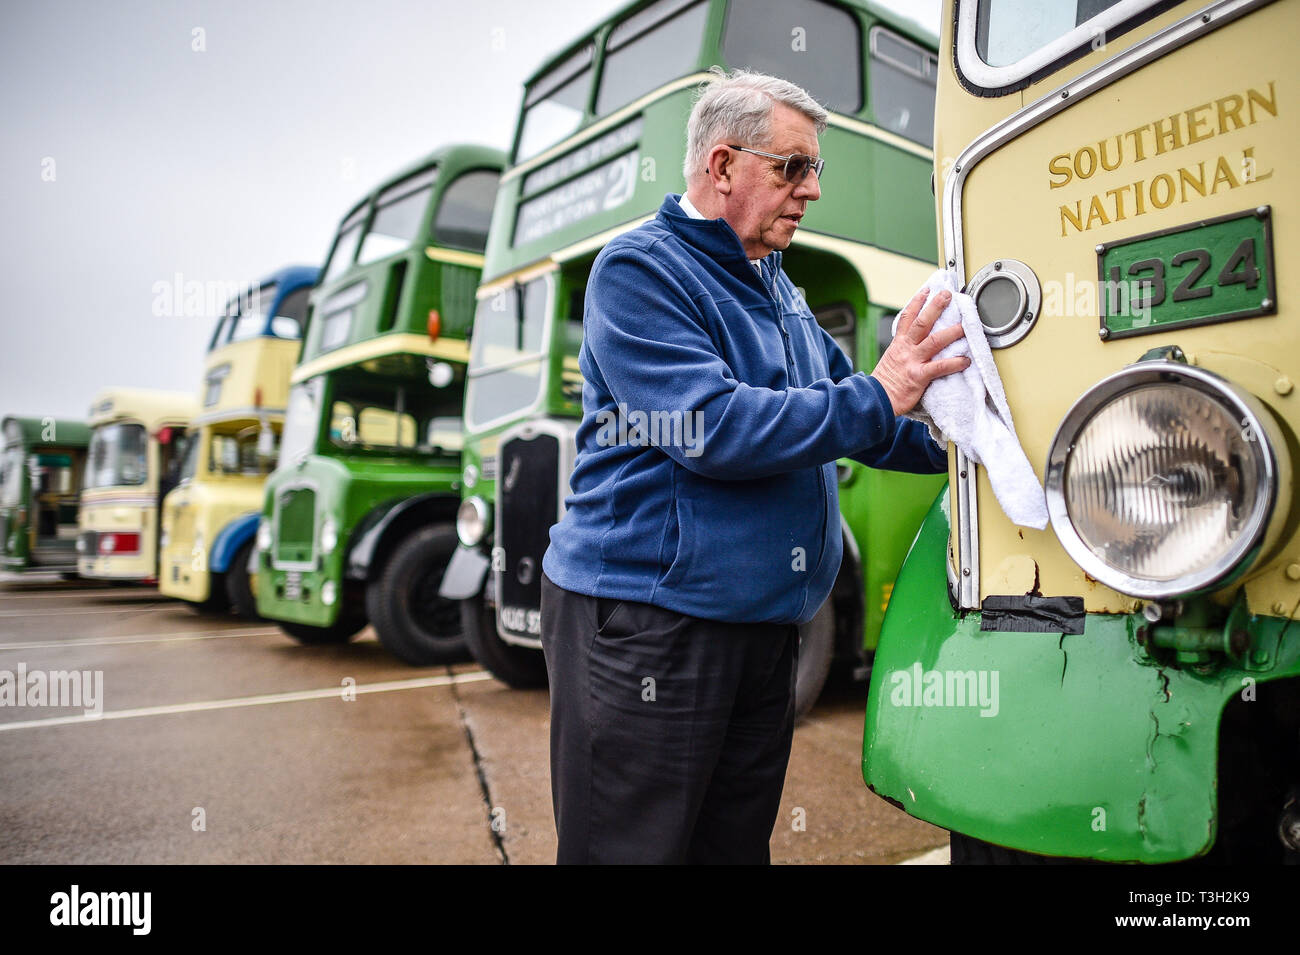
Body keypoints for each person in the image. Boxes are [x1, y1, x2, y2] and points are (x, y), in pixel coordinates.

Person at [539, 68, 968, 864]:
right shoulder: (640, 269)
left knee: (730, 847)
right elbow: (711, 427)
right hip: (652, 624)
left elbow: (858, 415)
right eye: (792, 167)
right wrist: (883, 392)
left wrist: (967, 450)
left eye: (816, 170)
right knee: (634, 849)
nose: (810, 190)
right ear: (724, 165)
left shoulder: (776, 281)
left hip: (761, 629)